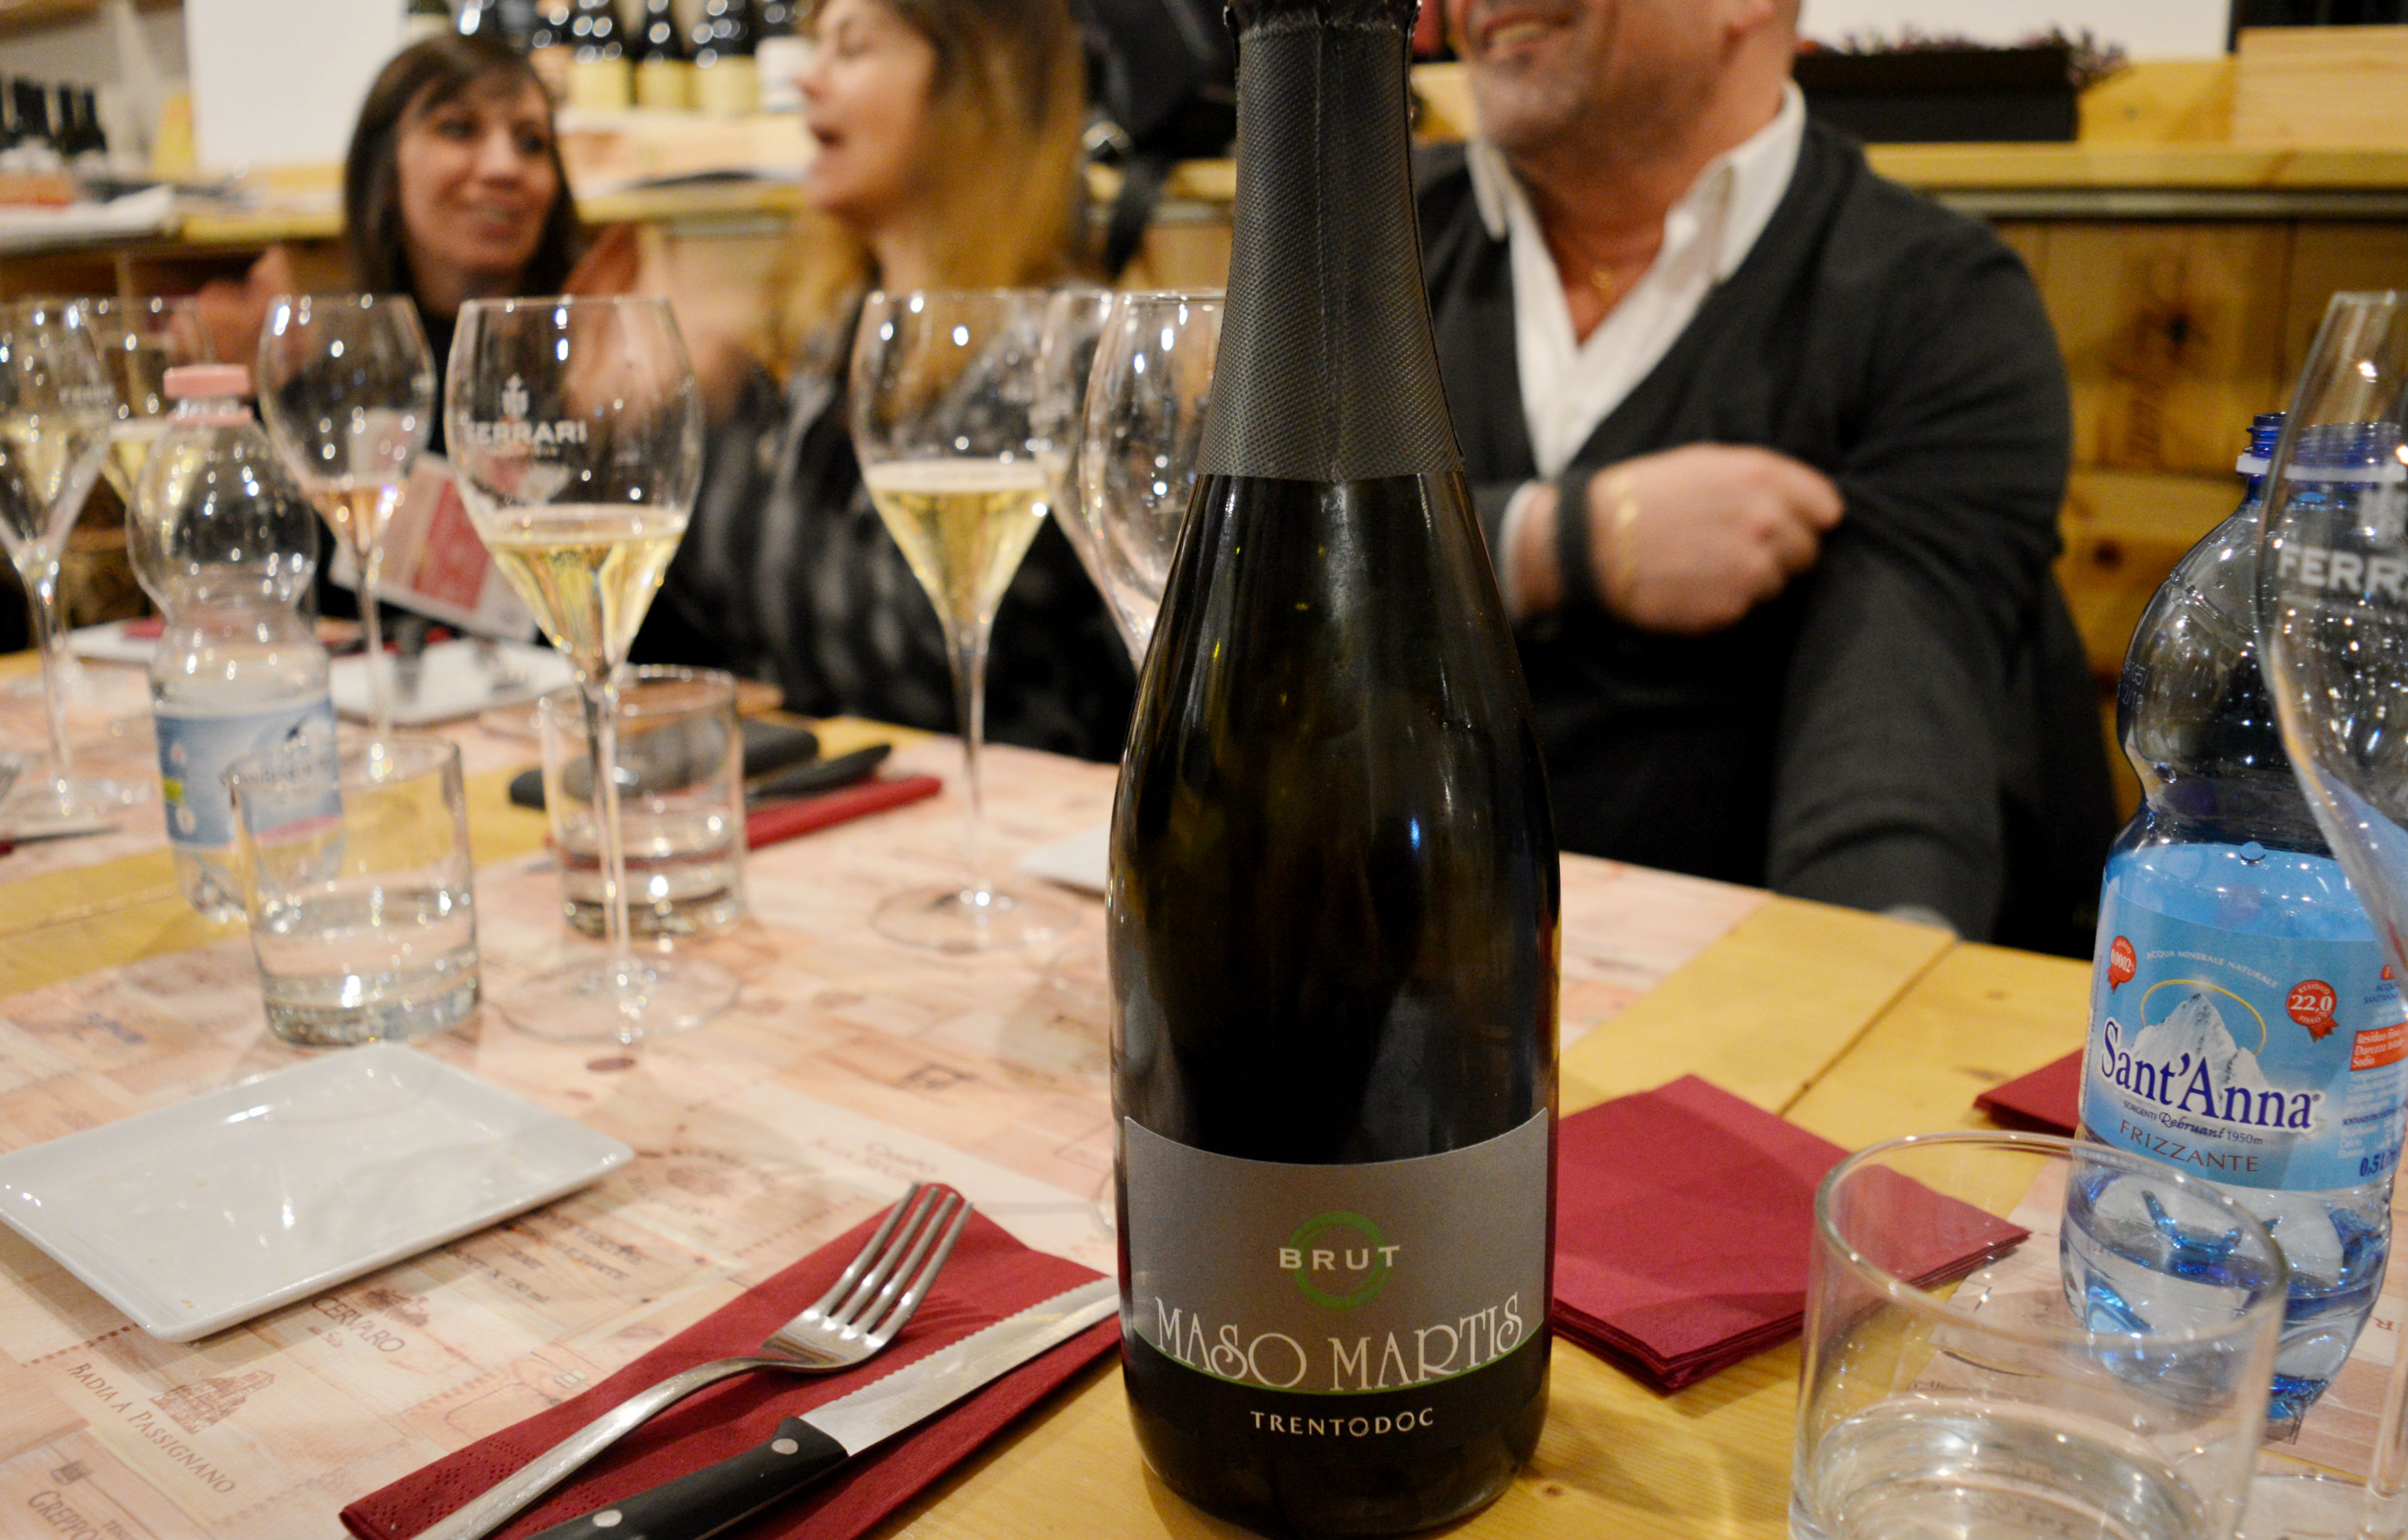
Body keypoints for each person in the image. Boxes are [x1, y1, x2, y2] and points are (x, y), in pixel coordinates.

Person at [1419, 0, 2113, 953]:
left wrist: (1850, 989)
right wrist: (1559, 541)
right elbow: (1238, 592)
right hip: (1381, 967)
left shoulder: (1935, 305)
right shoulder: (1359, 245)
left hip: (1721, 991)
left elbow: (1890, 744)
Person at [632, 0, 1133, 763]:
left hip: (1034, 813)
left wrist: (705, 429)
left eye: (852, 48)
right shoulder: (839, 330)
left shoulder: (1063, 350)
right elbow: (739, 629)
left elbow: (912, 651)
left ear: (976, 85)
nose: (807, 79)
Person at [197, 33, 584, 452]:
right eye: (459, 129)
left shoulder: (599, 373)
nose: (505, 167)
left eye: (532, 142)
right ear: (384, 173)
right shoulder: (323, 385)